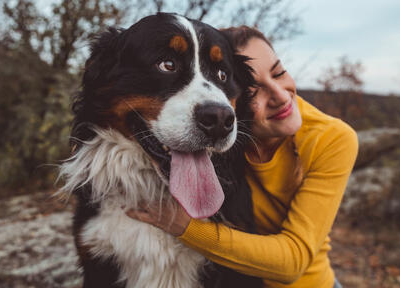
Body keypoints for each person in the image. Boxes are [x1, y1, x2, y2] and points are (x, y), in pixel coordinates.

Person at [126, 26, 358, 288]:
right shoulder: (211, 138)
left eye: (279, 73)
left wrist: (183, 227)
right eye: (254, 90)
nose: (281, 97)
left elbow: (292, 262)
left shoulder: (333, 137)